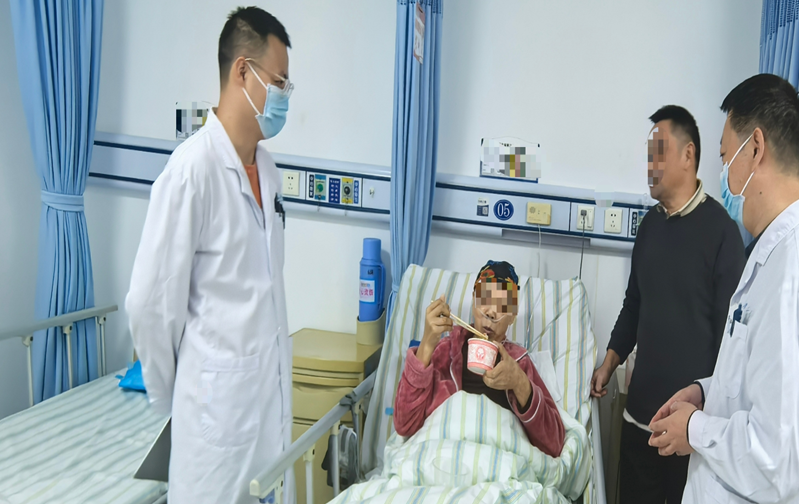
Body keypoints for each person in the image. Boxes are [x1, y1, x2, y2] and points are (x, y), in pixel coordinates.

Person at [125, 7, 294, 503]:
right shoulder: (191, 171)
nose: (284, 97)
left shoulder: (269, 170)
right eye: (278, 83)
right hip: (214, 429)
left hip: (266, 418)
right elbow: (149, 304)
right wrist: (178, 393)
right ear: (242, 71)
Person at [650, 74, 799, 503]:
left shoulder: (789, 270)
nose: (724, 175)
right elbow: (756, 382)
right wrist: (705, 391)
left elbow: (775, 458)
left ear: (755, 148)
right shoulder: (769, 253)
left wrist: (695, 428)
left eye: (725, 156)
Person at [591, 106, 745, 503]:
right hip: (639, 417)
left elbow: (730, 337)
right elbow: (634, 303)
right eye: (648, 154)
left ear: (688, 154)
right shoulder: (649, 227)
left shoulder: (722, 233)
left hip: (690, 429)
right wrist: (609, 362)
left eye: (658, 152)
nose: (650, 164)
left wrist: (708, 418)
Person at [393, 261, 565, 458]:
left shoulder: (519, 363)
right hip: (441, 455)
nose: (490, 313)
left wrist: (520, 383)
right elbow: (404, 424)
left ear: (513, 316)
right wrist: (426, 344)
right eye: (484, 299)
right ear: (474, 301)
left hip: (497, 461)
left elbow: (555, 444)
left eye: (502, 305)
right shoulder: (444, 352)